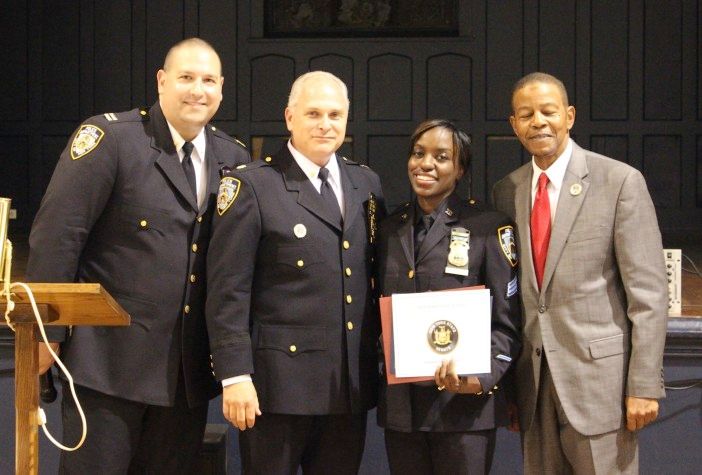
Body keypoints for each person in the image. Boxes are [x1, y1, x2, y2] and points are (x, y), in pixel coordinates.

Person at [26, 38, 250, 473]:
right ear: (162, 81)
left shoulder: (233, 157)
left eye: (208, 80)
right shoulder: (112, 139)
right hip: (107, 368)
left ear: (221, 89)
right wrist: (44, 332)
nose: (197, 90)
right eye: (186, 77)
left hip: (183, 375)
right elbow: (58, 235)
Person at [206, 71, 385, 473]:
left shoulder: (366, 183)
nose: (326, 124)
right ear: (289, 117)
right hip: (277, 389)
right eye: (314, 113)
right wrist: (234, 375)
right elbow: (227, 291)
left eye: (335, 115)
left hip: (346, 388)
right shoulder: (253, 186)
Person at [492, 72, 668, 474]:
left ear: (569, 116)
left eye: (548, 111)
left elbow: (649, 294)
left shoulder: (619, 181)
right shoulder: (507, 190)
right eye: (526, 114)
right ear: (514, 125)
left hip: (600, 387)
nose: (538, 121)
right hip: (534, 388)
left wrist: (643, 384)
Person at [376, 119, 521, 474]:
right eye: (418, 153)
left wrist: (478, 378)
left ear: (460, 170)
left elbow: (507, 323)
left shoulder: (489, 227)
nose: (425, 164)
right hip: (403, 410)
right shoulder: (389, 228)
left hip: (463, 409)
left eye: (441, 157)